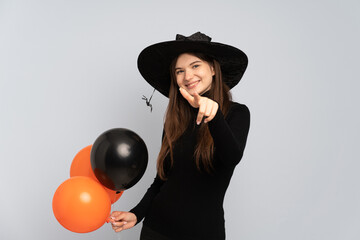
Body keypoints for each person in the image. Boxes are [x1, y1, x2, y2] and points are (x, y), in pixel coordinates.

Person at [109, 32, 250, 240]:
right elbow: (162, 180)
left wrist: (214, 117)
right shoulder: (175, 121)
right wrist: (136, 214)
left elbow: (231, 157)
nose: (188, 76)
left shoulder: (236, 113)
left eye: (195, 66)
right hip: (155, 230)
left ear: (212, 68)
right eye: (179, 71)